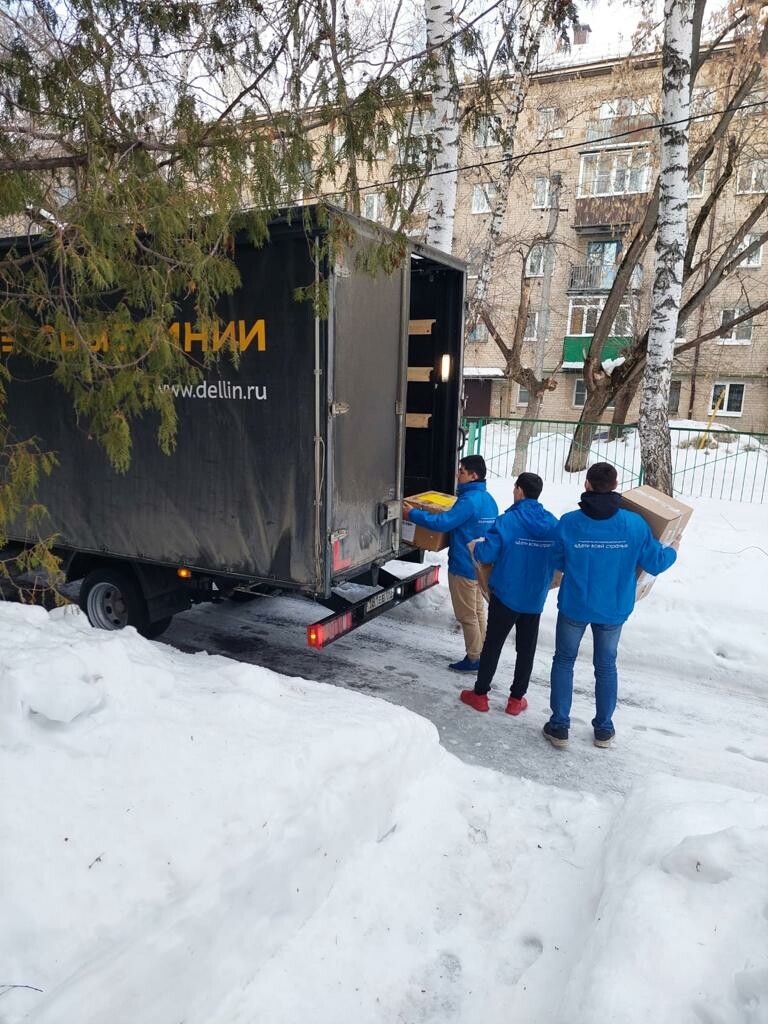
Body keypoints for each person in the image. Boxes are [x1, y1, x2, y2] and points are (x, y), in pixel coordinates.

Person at [543, 461, 678, 750]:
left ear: (586, 485)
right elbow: (655, 562)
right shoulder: (634, 524)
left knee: (564, 661)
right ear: (615, 486)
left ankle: (559, 727)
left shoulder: (569, 522)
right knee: (605, 666)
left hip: (575, 605)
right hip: (613, 608)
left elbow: (556, 560)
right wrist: (674, 549)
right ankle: (603, 730)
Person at [459, 472, 559, 714]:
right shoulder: (553, 524)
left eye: (515, 489)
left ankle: (480, 695)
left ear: (519, 491)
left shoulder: (507, 521)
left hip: (506, 595)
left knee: (493, 644)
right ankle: (516, 700)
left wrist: (476, 546)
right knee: (526, 648)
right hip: (535, 597)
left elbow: (486, 554)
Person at [403, 455, 498, 672]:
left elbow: (442, 522)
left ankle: (475, 658)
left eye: (462, 471)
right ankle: (483, 652)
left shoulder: (468, 501)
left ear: (474, 475)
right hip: (480, 566)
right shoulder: (488, 499)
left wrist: (412, 513)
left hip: (463, 566)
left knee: (466, 615)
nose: (458, 474)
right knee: (477, 611)